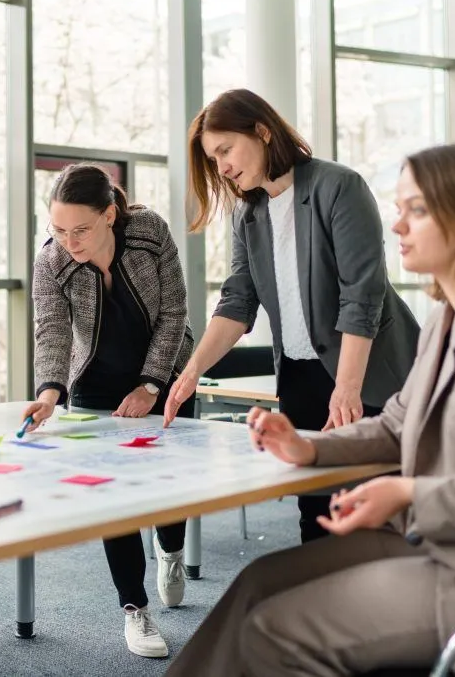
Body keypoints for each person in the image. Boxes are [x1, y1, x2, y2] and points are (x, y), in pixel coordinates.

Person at [164, 141, 455, 677]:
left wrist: (409, 492)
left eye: (419, 209)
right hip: (446, 549)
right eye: (400, 208)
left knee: (273, 630)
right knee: (257, 582)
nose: (398, 226)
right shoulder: (448, 316)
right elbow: (396, 424)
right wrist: (308, 445)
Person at [164, 88, 420, 542]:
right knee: (316, 514)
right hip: (301, 377)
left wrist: (347, 386)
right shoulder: (247, 215)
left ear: (261, 131)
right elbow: (237, 302)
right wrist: (192, 371)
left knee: (374, 513)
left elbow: (362, 296)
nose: (221, 167)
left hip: (366, 373)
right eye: (212, 158)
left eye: (225, 149)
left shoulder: (338, 186)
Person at [21, 163, 194, 659]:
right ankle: (134, 608)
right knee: (117, 498)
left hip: (166, 373)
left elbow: (175, 313)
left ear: (110, 215)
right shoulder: (52, 261)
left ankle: (173, 550)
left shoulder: (148, 232)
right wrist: (50, 393)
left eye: (81, 230)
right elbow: (51, 330)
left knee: (171, 485)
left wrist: (151, 384)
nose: (69, 241)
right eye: (58, 229)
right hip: (97, 381)